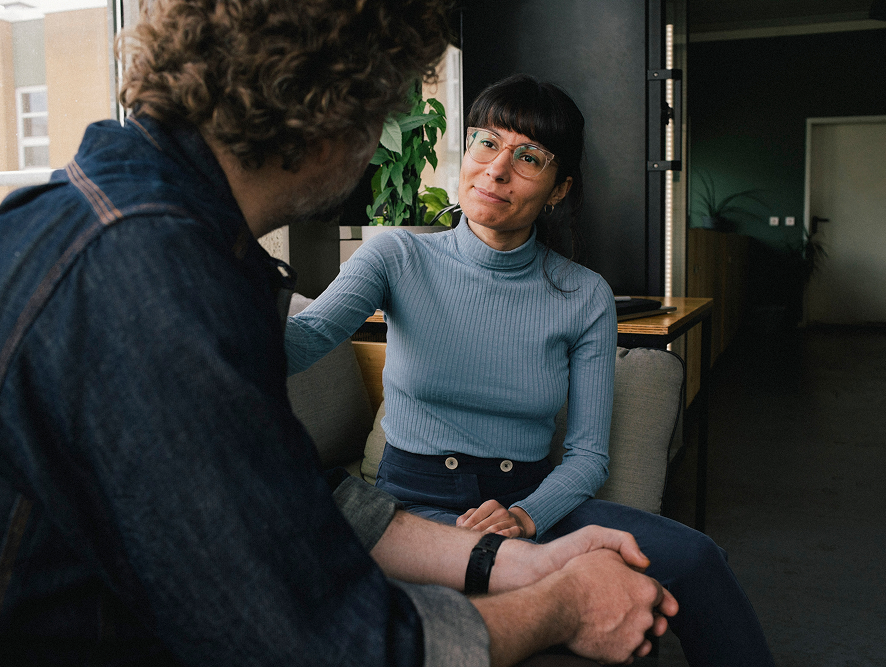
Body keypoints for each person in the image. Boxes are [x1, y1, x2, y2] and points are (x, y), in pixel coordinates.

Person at [0, 2, 678, 666]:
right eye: (383, 111)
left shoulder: (125, 208)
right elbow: (333, 641)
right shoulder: (153, 274)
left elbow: (291, 493)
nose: (379, 146)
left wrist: (507, 560)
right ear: (331, 110)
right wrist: (560, 604)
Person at [286, 74, 776, 666]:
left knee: (696, 560)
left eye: (529, 157)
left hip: (532, 499)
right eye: (485, 143)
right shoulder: (397, 255)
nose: (496, 169)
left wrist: (524, 516)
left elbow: (589, 456)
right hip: (413, 504)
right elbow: (307, 338)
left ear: (559, 188)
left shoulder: (583, 295)